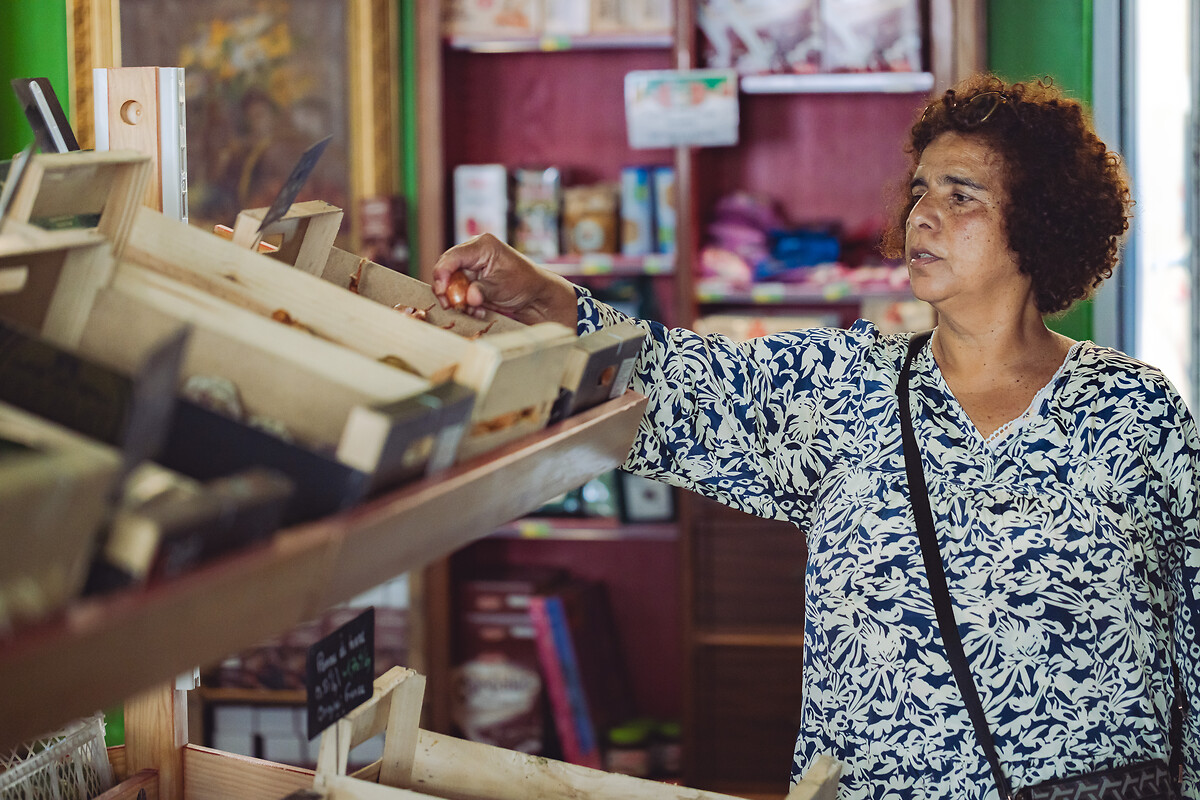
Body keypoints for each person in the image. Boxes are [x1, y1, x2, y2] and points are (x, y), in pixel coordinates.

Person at [431, 74, 1198, 800]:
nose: (922, 214)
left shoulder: (1135, 411)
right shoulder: (842, 387)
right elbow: (672, 377)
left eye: (961, 196)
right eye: (921, 190)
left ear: (1041, 220)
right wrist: (539, 296)